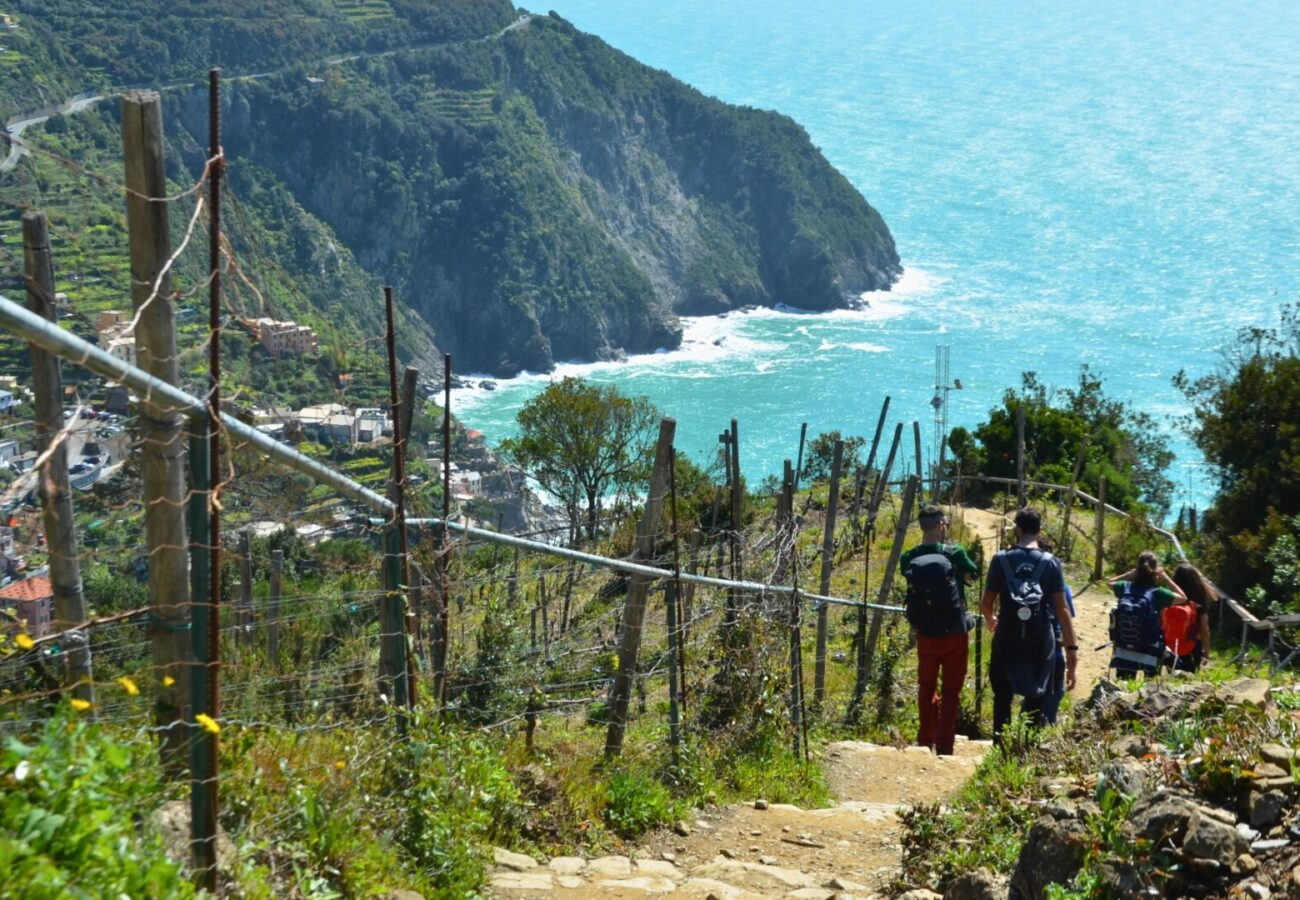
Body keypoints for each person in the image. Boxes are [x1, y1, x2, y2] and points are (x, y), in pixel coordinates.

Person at [980, 507, 1077, 742]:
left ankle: (999, 749)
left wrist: (991, 619)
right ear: (1039, 531)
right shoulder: (1051, 563)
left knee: (1002, 697)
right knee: (1037, 695)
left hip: (1006, 636)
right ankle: (1027, 750)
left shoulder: (1001, 559)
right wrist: (1071, 651)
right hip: (1040, 641)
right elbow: (1063, 610)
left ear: (1018, 530)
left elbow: (986, 603)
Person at [901, 505, 980, 756]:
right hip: (955, 631)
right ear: (941, 525)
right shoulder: (955, 552)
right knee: (951, 690)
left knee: (926, 686)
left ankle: (925, 740)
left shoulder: (908, 557)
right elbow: (973, 573)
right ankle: (945, 745)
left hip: (925, 632)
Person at [1107, 551, 1187, 678]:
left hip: (1124, 650)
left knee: (1123, 685)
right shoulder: (1158, 593)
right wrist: (1165, 577)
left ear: (1137, 569)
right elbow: (1183, 597)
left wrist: (1128, 574)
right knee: (1150, 687)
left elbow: (1109, 582)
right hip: (1150, 649)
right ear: (1155, 571)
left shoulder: (1124, 587)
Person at [1028, 534, 1075, 725]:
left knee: (1031, 700)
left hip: (1028, 650)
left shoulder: (1024, 585)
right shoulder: (1062, 589)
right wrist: (1072, 652)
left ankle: (1023, 740)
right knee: (1053, 696)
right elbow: (1065, 620)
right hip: (1053, 651)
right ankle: (1042, 744)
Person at [1169, 562, 1216, 670]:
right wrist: (1207, 652)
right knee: (1190, 674)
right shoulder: (1198, 602)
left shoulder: (1171, 598)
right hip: (1192, 646)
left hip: (1170, 645)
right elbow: (1204, 629)